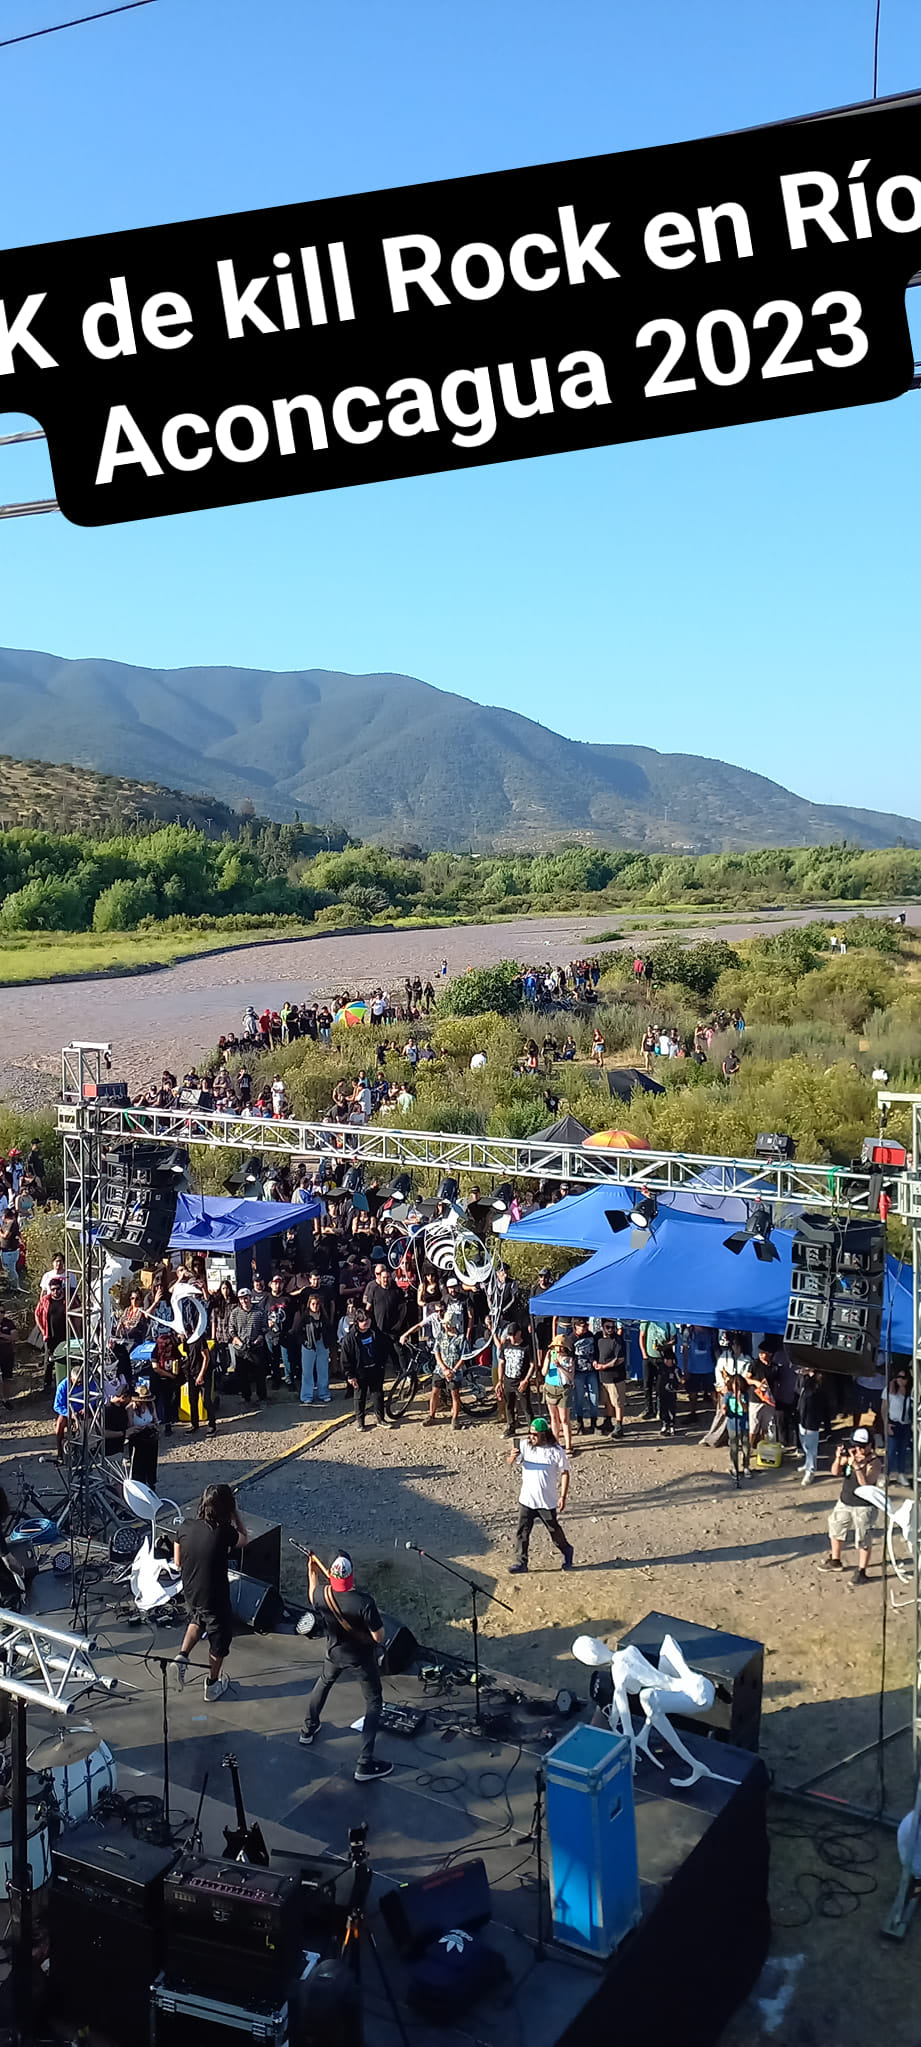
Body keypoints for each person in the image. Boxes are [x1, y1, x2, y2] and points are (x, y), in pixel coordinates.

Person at [298, 1551, 393, 1783]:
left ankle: (308, 1730)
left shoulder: (321, 1594)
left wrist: (311, 1570)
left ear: (331, 1574)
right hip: (360, 1658)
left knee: (323, 1684)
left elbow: (312, 1592)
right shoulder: (363, 1602)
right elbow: (379, 1637)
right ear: (351, 1576)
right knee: (373, 1701)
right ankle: (364, 1763)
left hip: (333, 1653)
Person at [173, 1484, 248, 1701]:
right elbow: (244, 1539)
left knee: (197, 1618)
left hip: (191, 1590)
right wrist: (236, 1515)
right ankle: (213, 1684)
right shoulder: (224, 1532)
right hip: (214, 1595)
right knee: (220, 1640)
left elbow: (177, 1562)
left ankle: (182, 1656)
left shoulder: (185, 1527)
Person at [507, 1415, 574, 1574]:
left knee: (554, 1531)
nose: (531, 1437)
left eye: (535, 1434)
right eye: (530, 1433)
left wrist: (563, 1496)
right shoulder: (525, 1446)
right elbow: (510, 1462)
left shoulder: (556, 1451)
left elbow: (565, 1472)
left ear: (544, 1434)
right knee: (522, 1532)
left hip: (546, 1502)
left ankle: (566, 1550)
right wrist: (512, 1456)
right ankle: (521, 1562)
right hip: (527, 1500)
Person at [819, 1429, 881, 1588]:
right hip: (845, 1501)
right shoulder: (850, 1456)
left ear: (870, 1446)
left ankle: (862, 1571)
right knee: (836, 1528)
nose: (859, 1450)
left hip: (864, 1506)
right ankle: (835, 1560)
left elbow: (866, 1484)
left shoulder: (874, 1462)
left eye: (862, 1446)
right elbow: (835, 1472)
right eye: (856, 1446)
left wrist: (856, 1466)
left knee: (863, 1538)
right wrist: (839, 1458)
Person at [341, 1304, 390, 1429]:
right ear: (357, 1321)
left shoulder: (375, 1333)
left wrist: (382, 1365)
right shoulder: (350, 1338)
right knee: (359, 1398)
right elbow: (345, 1359)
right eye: (363, 1320)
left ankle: (380, 1419)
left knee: (378, 1395)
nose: (366, 1323)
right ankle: (360, 1423)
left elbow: (384, 1348)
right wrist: (350, 1375)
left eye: (368, 1319)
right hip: (359, 1372)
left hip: (375, 1369)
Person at [228, 1284, 270, 1405]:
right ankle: (246, 1397)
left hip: (256, 1347)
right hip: (241, 1349)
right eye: (241, 1298)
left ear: (250, 1297)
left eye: (246, 1298)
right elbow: (231, 1330)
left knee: (259, 1374)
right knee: (242, 1375)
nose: (244, 1300)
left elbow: (265, 1328)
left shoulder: (260, 1311)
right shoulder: (235, 1313)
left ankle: (262, 1397)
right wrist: (239, 1341)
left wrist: (258, 1339)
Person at [495, 1322, 533, 1437]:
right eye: (509, 1335)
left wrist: (526, 1380)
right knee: (509, 1405)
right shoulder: (506, 1346)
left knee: (526, 1407)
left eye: (513, 1334)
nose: (511, 1337)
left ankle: (532, 1430)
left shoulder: (526, 1346)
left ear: (519, 1333)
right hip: (508, 1380)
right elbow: (501, 1363)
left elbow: (532, 1364)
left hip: (521, 1381)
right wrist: (500, 1381)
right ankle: (511, 1427)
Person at [541, 1332, 573, 1452]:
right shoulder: (550, 1356)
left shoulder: (568, 1360)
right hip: (550, 1387)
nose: (557, 1349)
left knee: (564, 1419)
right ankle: (555, 1442)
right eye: (555, 1346)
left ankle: (569, 1444)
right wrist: (548, 1360)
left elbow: (571, 1376)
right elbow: (544, 1372)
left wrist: (560, 1366)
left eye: (560, 1346)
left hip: (563, 1388)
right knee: (553, 1417)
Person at [638, 1320, 677, 1422]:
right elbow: (641, 1337)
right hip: (649, 1358)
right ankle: (649, 1409)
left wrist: (664, 1347)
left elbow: (674, 1340)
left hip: (662, 1358)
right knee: (647, 1385)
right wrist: (644, 1355)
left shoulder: (668, 1322)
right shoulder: (646, 1321)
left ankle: (660, 1410)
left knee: (660, 1386)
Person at [796, 1365, 826, 1484]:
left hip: (812, 1418)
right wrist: (803, 1375)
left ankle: (811, 1470)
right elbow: (798, 1389)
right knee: (804, 1442)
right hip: (802, 1415)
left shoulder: (819, 1381)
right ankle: (807, 1464)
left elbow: (818, 1395)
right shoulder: (805, 1379)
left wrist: (811, 1374)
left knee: (811, 1446)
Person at [570, 1316, 600, 1436]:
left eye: (586, 1326)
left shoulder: (591, 1336)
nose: (585, 1328)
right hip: (578, 1373)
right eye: (582, 1326)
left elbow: (596, 1351)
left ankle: (594, 1423)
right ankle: (580, 1423)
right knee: (579, 1399)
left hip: (591, 1371)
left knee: (594, 1397)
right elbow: (570, 1357)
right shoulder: (571, 1339)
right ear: (575, 1327)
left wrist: (596, 1361)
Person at [597, 1319, 626, 1437]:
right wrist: (595, 1362)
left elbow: (619, 1359)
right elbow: (596, 1353)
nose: (611, 1330)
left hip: (616, 1377)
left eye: (613, 1327)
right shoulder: (597, 1337)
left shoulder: (618, 1340)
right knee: (607, 1401)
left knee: (617, 1402)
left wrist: (604, 1366)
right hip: (603, 1377)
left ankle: (619, 1425)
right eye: (608, 1327)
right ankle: (607, 1421)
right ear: (602, 1327)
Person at [885, 1367, 913, 1485]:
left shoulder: (911, 1392)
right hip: (893, 1424)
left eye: (904, 1378)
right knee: (891, 1451)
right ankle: (886, 1474)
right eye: (899, 1377)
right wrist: (886, 1424)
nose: (901, 1380)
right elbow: (884, 1409)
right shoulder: (889, 1391)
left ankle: (901, 1474)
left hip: (905, 1425)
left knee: (902, 1451)